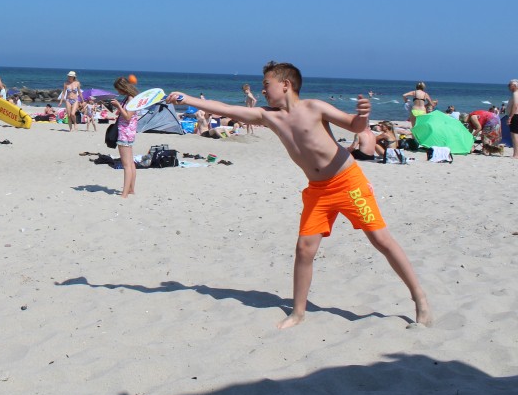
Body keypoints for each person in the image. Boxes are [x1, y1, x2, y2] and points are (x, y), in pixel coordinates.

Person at [167, 61, 430, 329]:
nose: (264, 91)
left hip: (348, 183)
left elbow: (354, 125)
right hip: (318, 191)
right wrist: (186, 98)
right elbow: (225, 109)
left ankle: (419, 299)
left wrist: (362, 115)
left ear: (286, 84)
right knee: (304, 250)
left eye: (266, 85)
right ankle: (299, 312)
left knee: (381, 240)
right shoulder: (269, 116)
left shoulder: (314, 107)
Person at [110, 76, 140, 198]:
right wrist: (118, 108)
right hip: (129, 132)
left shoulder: (131, 99)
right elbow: (126, 114)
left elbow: (128, 116)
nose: (118, 92)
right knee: (130, 163)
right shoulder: (129, 98)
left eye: (119, 89)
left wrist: (118, 106)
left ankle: (124, 193)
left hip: (125, 132)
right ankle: (131, 189)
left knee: (126, 164)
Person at [507, 80, 518, 159]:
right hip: (516, 115)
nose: (508, 87)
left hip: (515, 116)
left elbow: (515, 105)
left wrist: (510, 117)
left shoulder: (515, 93)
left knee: (514, 135)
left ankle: (516, 154)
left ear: (514, 85)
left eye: (509, 85)